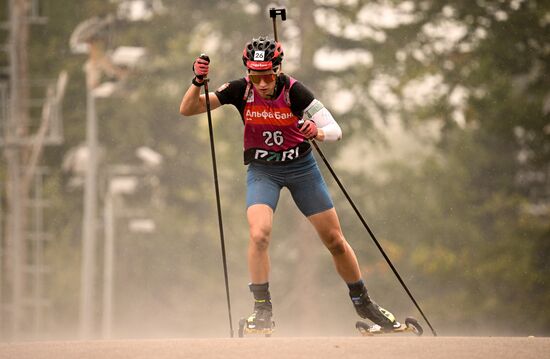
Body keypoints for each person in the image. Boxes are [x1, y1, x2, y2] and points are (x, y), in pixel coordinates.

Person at [179, 36, 400, 332]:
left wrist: (316, 132)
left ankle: (364, 303)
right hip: (263, 171)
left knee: (334, 240)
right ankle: (262, 310)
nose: (262, 83)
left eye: (268, 75)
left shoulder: (295, 91)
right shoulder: (239, 90)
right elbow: (189, 109)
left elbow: (335, 129)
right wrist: (197, 81)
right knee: (259, 234)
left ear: (278, 69)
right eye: (255, 76)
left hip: (301, 169)